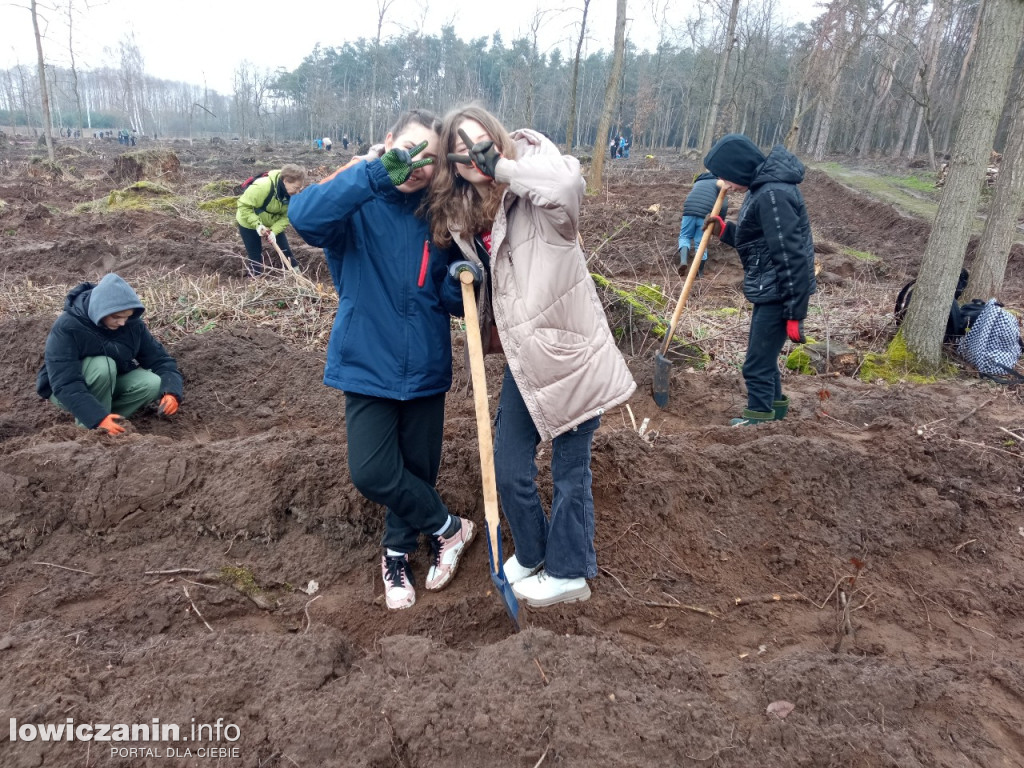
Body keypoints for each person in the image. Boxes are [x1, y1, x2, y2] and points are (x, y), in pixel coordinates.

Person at [430, 105, 636, 608]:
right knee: (508, 465)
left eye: (482, 143)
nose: (475, 157)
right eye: (463, 153)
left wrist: (502, 168)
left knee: (570, 471)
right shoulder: (466, 215)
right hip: (527, 360)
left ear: (498, 140)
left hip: (571, 351)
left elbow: (567, 189)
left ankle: (568, 573)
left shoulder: (543, 187)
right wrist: (466, 278)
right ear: (453, 165)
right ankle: (535, 549)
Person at [288, 109, 474, 612]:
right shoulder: (355, 200)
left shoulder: (437, 216)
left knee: (416, 467)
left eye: (430, 159)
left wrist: (460, 278)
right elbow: (302, 218)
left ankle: (397, 553)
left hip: (425, 364)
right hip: (367, 361)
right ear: (388, 142)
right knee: (372, 471)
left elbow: (447, 298)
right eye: (409, 151)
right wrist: (373, 172)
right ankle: (448, 529)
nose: (418, 166)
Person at [701, 133, 816, 426]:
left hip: (779, 292)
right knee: (764, 358)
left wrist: (794, 313)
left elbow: (792, 257)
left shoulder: (772, 195)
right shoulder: (762, 189)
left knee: (755, 364)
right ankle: (775, 411)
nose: (723, 184)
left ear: (739, 169)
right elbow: (760, 243)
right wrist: (724, 230)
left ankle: (759, 417)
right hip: (772, 289)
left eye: (725, 177)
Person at [36, 273, 183, 434]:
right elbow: (65, 383)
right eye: (116, 317)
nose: (122, 323)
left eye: (126, 317)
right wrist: (97, 418)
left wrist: (171, 391)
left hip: (111, 383)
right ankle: (91, 429)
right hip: (69, 390)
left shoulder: (132, 325)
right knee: (102, 366)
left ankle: (112, 423)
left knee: (152, 383)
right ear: (100, 310)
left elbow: (161, 360)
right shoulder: (68, 327)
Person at [235, 165, 308, 278]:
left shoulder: (291, 195)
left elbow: (286, 217)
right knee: (255, 255)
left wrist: (273, 231)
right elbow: (243, 206)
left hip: (272, 222)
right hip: (248, 222)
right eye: (296, 187)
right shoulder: (262, 186)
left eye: (300, 188)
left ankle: (297, 277)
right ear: (285, 181)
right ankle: (255, 282)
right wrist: (258, 225)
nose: (298, 192)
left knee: (285, 250)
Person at [677, 172, 729, 277]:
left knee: (685, 236)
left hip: (689, 210)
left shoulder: (699, 182)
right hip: (705, 215)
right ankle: (699, 271)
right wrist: (720, 220)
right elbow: (723, 205)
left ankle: (683, 261)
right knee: (700, 242)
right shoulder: (719, 183)